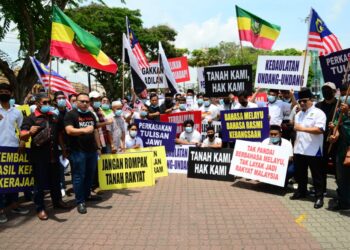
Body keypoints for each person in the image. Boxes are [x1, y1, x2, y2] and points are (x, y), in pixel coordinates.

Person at [20, 93, 70, 220]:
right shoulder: (30, 118)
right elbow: (22, 134)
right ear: (37, 103)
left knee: (55, 181)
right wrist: (29, 133)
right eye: (45, 103)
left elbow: (59, 134)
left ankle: (57, 201)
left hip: (54, 155)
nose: (48, 105)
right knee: (40, 184)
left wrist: (63, 149)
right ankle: (40, 208)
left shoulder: (54, 117)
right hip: (39, 157)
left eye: (49, 102)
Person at [64, 93, 102, 214]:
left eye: (87, 101)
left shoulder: (91, 115)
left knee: (90, 175)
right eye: (82, 101)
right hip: (78, 151)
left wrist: (98, 146)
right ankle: (80, 201)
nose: (85, 103)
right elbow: (69, 130)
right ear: (76, 102)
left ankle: (87, 195)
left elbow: (95, 130)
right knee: (79, 176)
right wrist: (84, 130)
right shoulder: (71, 115)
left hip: (92, 151)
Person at [290, 88, 326, 209]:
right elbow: (295, 128)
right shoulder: (299, 114)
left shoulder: (318, 113)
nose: (302, 103)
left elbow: (319, 130)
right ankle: (301, 191)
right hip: (299, 149)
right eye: (300, 101)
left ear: (311, 100)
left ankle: (319, 197)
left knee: (317, 176)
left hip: (313, 149)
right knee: (300, 173)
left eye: (305, 101)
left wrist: (302, 129)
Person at [0, 83, 29, 223]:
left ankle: (14, 204)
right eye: (1, 91)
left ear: (11, 94)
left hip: (13, 148)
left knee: (13, 179)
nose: (4, 93)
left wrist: (23, 141)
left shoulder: (17, 111)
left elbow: (23, 127)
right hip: (0, 149)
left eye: (6, 91)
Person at [315, 82, 338, 193]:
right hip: (321, 141)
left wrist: (336, 125)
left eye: (328, 90)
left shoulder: (340, 106)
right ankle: (321, 189)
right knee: (320, 167)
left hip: (335, 141)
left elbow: (344, 121)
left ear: (334, 92)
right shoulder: (318, 106)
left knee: (337, 169)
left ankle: (341, 193)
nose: (326, 92)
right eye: (324, 89)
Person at [328, 96, 350, 210]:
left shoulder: (347, 112)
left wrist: (348, 113)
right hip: (342, 149)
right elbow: (336, 130)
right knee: (341, 177)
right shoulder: (339, 112)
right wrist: (333, 137)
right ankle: (344, 202)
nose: (343, 106)